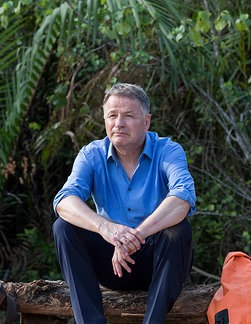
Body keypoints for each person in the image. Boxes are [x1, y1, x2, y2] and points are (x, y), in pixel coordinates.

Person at [52, 83, 196, 323]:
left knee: (177, 230)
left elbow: (183, 197)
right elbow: (64, 200)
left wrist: (134, 236)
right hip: (111, 264)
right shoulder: (92, 154)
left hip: (156, 263)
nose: (119, 123)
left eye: (128, 116)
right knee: (63, 228)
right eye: (112, 116)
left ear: (146, 122)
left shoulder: (168, 151)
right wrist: (108, 229)